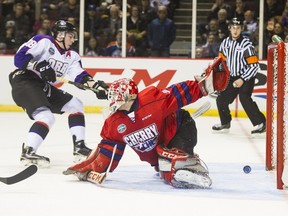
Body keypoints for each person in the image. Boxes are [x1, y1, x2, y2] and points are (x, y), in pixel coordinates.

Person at [62, 68, 230, 188]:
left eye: (117, 95)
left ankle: (189, 164)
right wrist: (90, 168)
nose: (113, 99)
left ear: (131, 95)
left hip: (180, 128)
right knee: (163, 168)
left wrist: (203, 86)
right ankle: (173, 164)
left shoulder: (152, 100)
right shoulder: (114, 123)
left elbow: (179, 93)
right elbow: (108, 153)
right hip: (158, 151)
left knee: (172, 165)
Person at [9, 20, 109, 167]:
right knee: (45, 116)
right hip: (24, 80)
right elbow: (19, 58)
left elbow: (80, 76)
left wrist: (95, 87)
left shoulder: (72, 56)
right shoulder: (43, 41)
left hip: (42, 86)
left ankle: (80, 149)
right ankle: (28, 152)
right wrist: (38, 65)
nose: (73, 39)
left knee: (75, 104)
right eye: (70, 35)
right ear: (60, 35)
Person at [212, 17, 266, 134]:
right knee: (221, 100)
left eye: (238, 28)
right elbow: (222, 62)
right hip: (232, 77)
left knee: (244, 98)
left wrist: (242, 79)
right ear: (229, 29)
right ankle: (225, 122)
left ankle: (261, 122)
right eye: (233, 28)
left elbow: (254, 66)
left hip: (246, 76)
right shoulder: (225, 43)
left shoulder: (247, 44)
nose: (235, 30)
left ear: (241, 29)